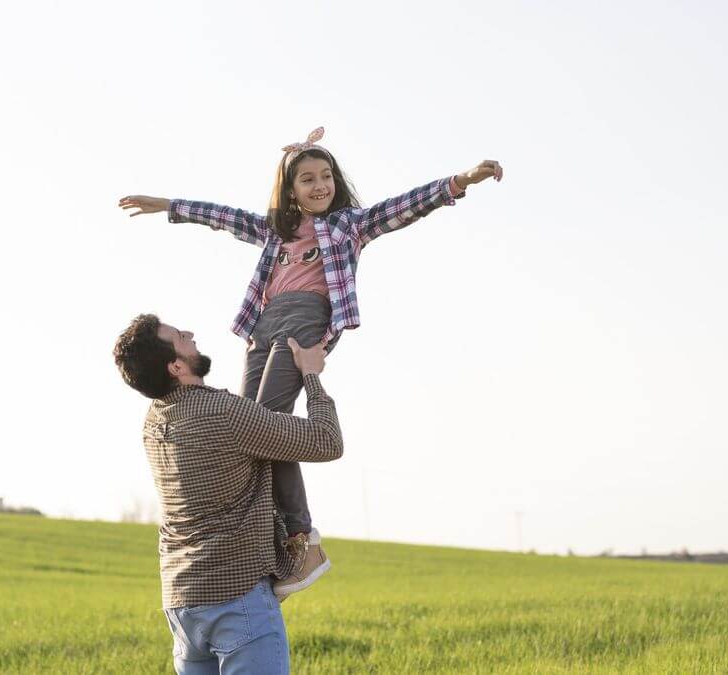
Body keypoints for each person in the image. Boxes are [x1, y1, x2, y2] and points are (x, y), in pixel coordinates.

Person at [119, 127, 502, 598]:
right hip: (263, 328)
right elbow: (222, 216)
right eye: (307, 179)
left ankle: (302, 539)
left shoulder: (348, 226)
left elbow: (402, 208)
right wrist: (169, 206)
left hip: (306, 320)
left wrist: (461, 180)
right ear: (291, 189)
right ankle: (275, 534)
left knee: (269, 425)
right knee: (249, 425)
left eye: (326, 177)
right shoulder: (273, 230)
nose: (319, 185)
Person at [113, 314, 342, 674]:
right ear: (175, 366)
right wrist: (311, 376)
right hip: (236, 602)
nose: (189, 333)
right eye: (178, 337)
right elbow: (326, 441)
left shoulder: (154, 421)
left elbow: (238, 422)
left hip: (181, 604)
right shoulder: (223, 413)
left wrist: (256, 362)